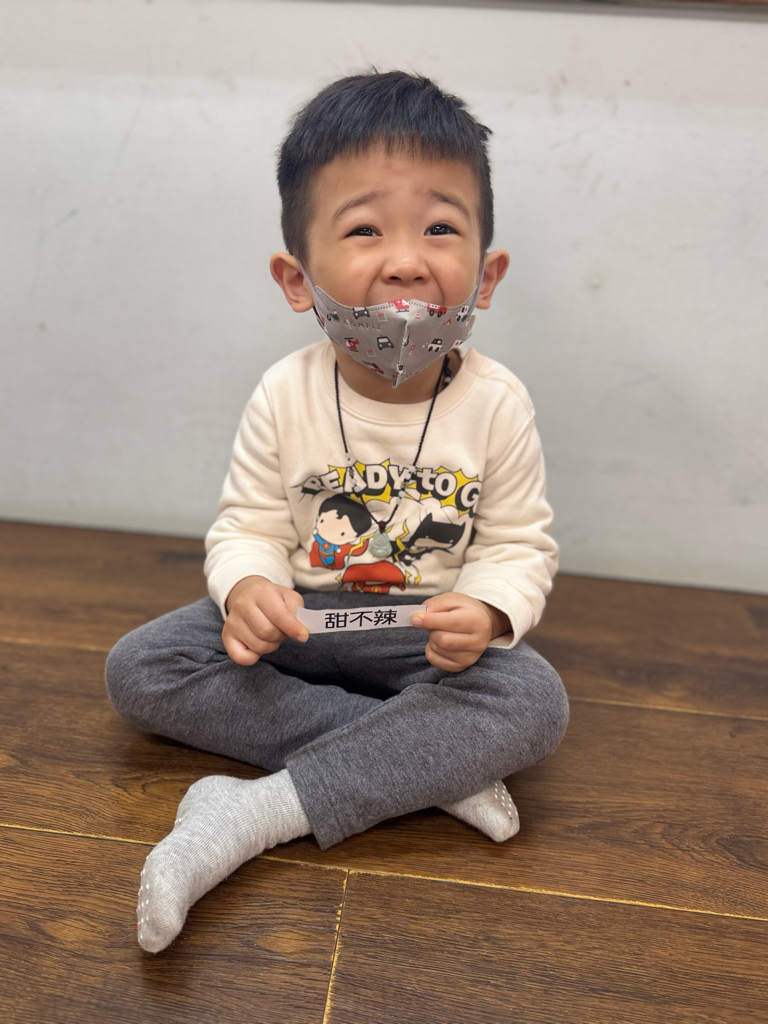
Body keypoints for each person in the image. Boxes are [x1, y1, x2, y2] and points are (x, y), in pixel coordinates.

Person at [106, 70, 569, 954]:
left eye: (440, 228)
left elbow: (518, 543)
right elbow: (248, 524)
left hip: (421, 637)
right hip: (303, 623)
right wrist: (247, 588)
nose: (406, 261)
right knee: (143, 667)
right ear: (297, 278)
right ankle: (427, 764)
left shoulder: (498, 402)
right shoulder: (284, 393)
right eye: (364, 230)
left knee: (534, 701)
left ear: (488, 273)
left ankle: (254, 812)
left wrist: (488, 608)